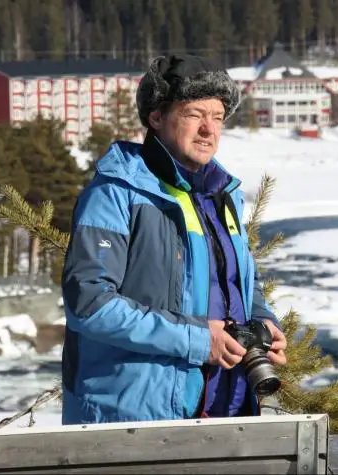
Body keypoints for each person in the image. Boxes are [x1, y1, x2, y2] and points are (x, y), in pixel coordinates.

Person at [60, 54, 287, 424]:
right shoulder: (116, 193)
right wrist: (200, 340)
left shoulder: (223, 195)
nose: (208, 130)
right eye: (195, 114)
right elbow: (90, 303)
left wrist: (264, 321)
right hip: (136, 419)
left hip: (224, 409)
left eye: (217, 117)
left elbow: (238, 282)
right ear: (156, 117)